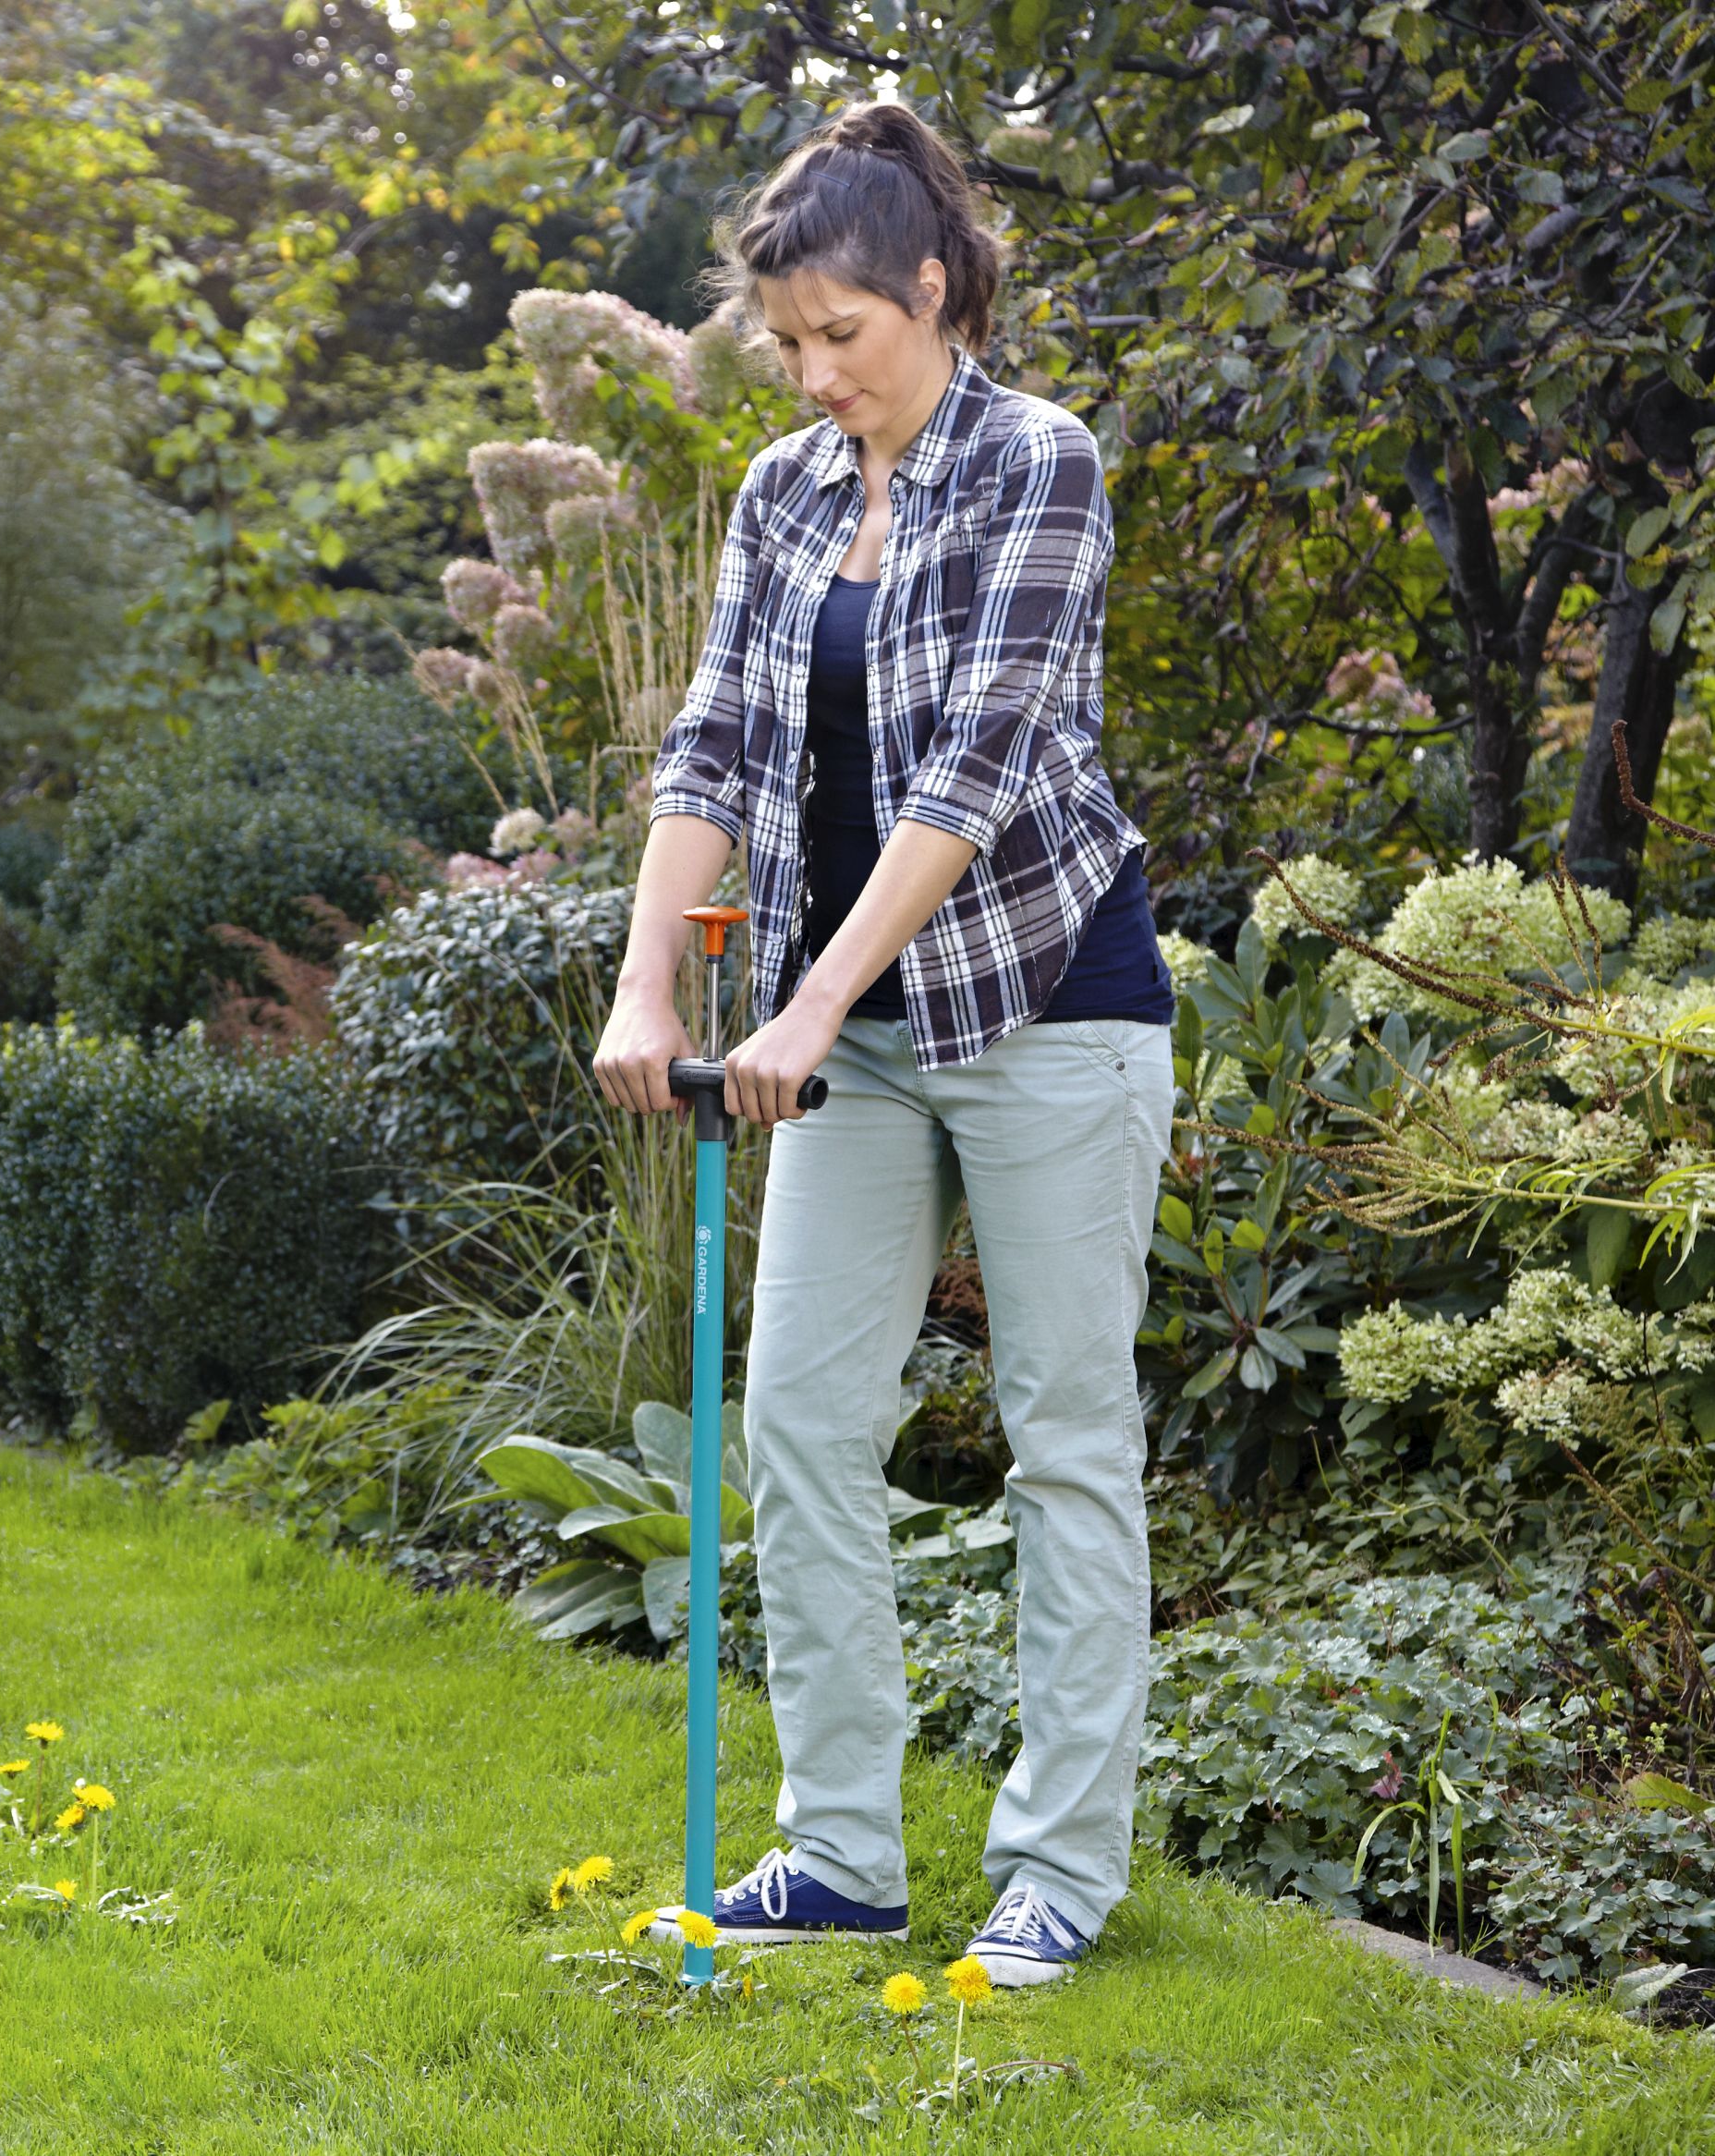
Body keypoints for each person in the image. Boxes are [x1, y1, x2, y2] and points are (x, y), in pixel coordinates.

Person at [597, 100, 1174, 1988]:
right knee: (797, 1420)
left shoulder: (1038, 462)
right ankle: (839, 1852)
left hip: (1039, 1000)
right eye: (786, 342)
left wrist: (812, 1002)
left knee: (1064, 1438)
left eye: (841, 333)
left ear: (931, 291)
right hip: (838, 1024)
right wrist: (645, 989)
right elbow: (717, 751)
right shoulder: (778, 495)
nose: (814, 370)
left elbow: (974, 774)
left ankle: (1058, 1873)